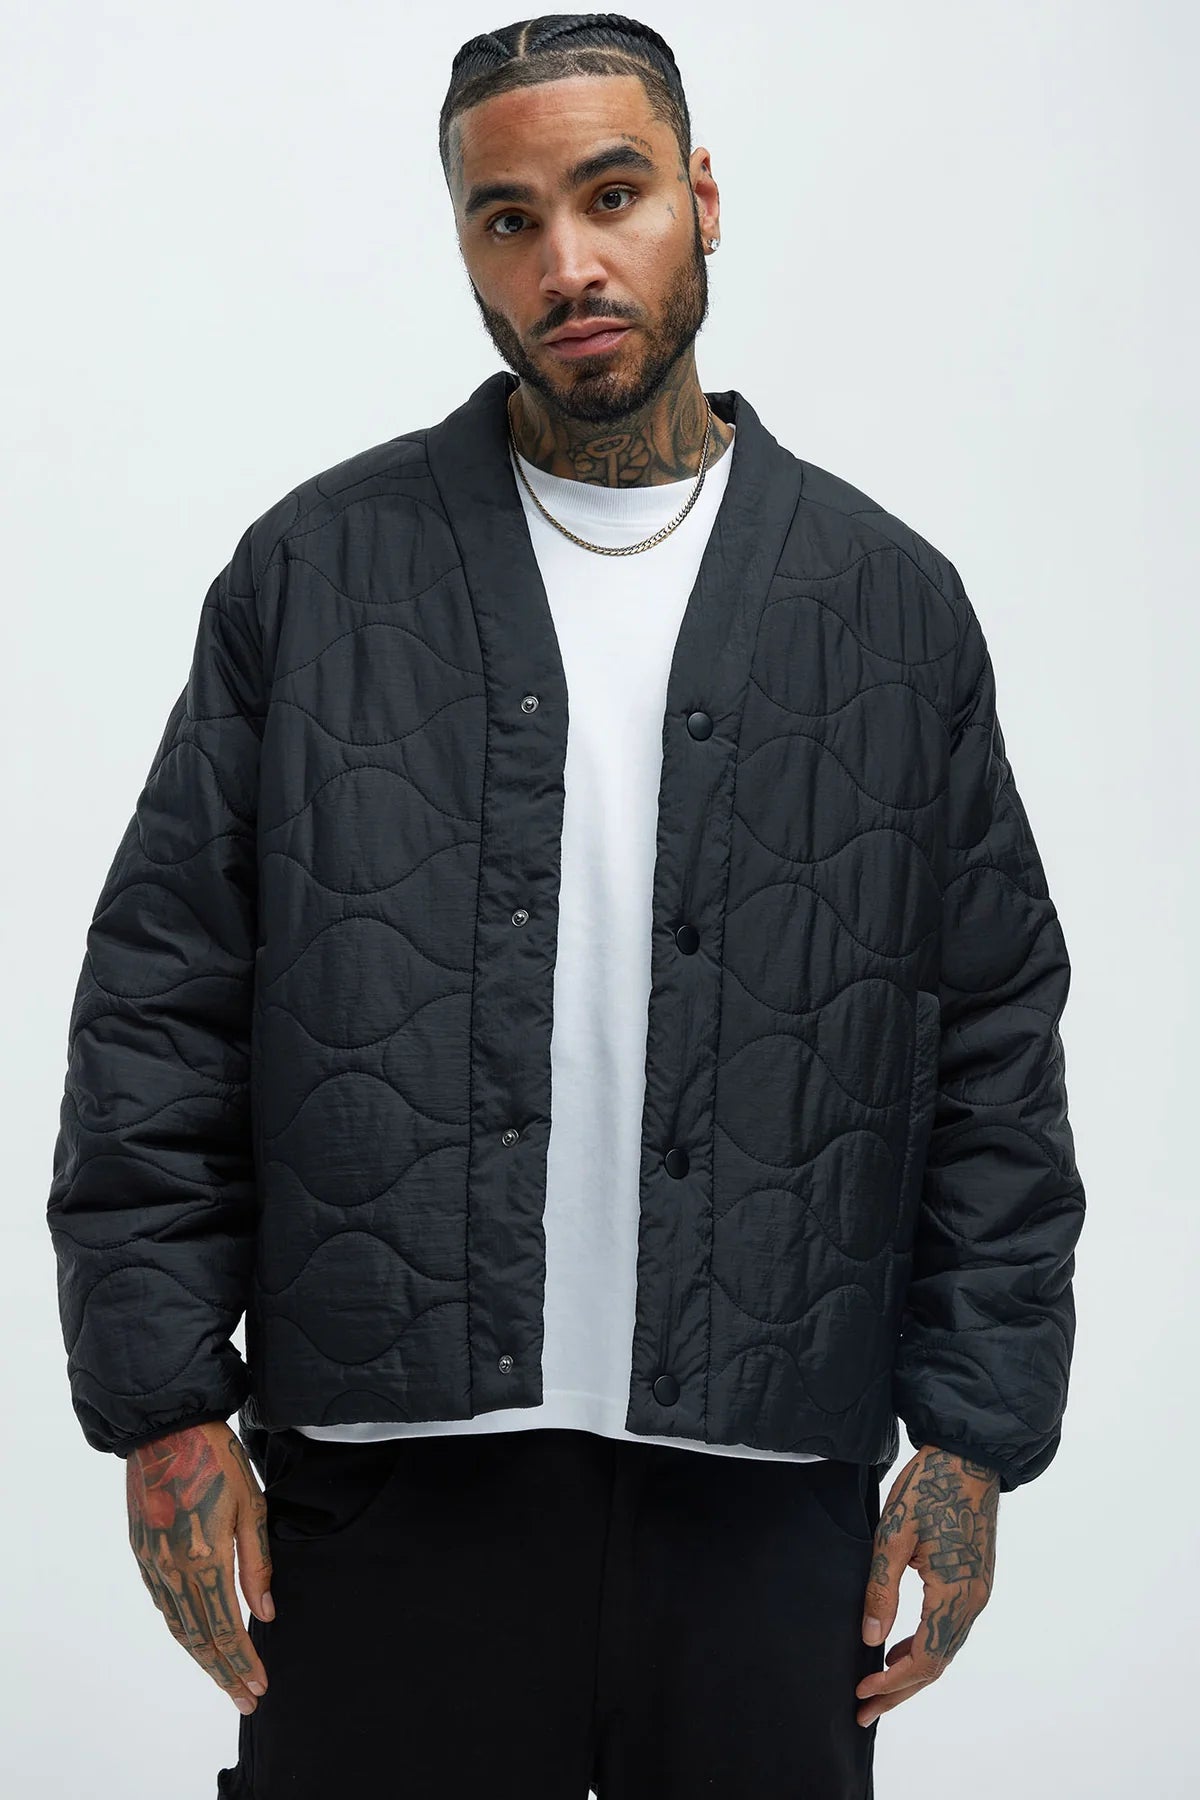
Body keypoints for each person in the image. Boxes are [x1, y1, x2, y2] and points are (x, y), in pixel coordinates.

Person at [45, 15, 1087, 1799]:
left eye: (613, 196)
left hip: (768, 1493)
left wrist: (975, 1431)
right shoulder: (317, 575)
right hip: (385, 1490)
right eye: (508, 218)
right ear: (464, 242)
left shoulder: (887, 608)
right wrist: (162, 1408)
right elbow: (160, 1004)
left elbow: (993, 1042)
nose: (568, 265)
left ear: (701, 196)